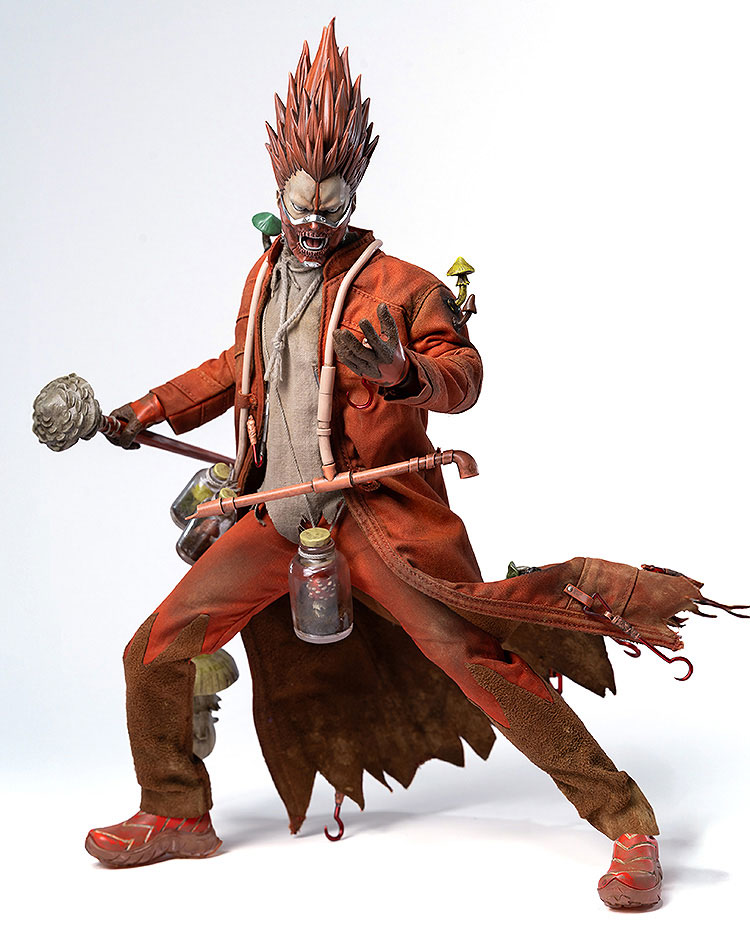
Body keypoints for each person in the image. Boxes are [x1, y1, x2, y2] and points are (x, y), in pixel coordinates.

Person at [85, 20, 713, 910]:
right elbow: (238, 368)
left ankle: (629, 826)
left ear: (354, 194)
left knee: (480, 663)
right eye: (299, 203)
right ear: (276, 191)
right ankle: (176, 811)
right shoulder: (264, 278)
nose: (313, 223)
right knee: (154, 648)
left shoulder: (406, 286)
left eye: (330, 204)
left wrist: (406, 374)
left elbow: (464, 374)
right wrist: (144, 411)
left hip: (377, 523)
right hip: (277, 516)